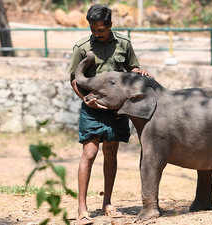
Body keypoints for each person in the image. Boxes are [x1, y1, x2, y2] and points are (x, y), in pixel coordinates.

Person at [68, 4, 150, 225]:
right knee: (89, 153)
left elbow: (133, 68)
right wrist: (85, 99)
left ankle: (108, 203)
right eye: (93, 30)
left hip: (116, 110)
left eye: (101, 30)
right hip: (92, 109)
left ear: (110, 25)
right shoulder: (82, 47)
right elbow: (75, 79)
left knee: (111, 154)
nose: (96, 34)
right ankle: (82, 208)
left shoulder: (124, 44)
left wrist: (138, 71)